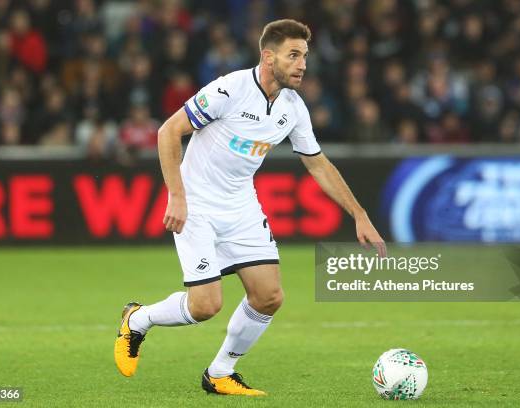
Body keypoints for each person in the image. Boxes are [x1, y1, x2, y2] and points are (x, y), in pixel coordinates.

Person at [114, 19, 386, 396]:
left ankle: (220, 373)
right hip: (198, 204)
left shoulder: (292, 107)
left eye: (305, 56)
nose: (302, 64)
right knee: (205, 305)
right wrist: (177, 195)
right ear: (268, 56)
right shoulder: (229, 90)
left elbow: (318, 163)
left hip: (241, 205)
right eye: (294, 55)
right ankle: (138, 318)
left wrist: (359, 214)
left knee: (269, 296)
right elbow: (168, 131)